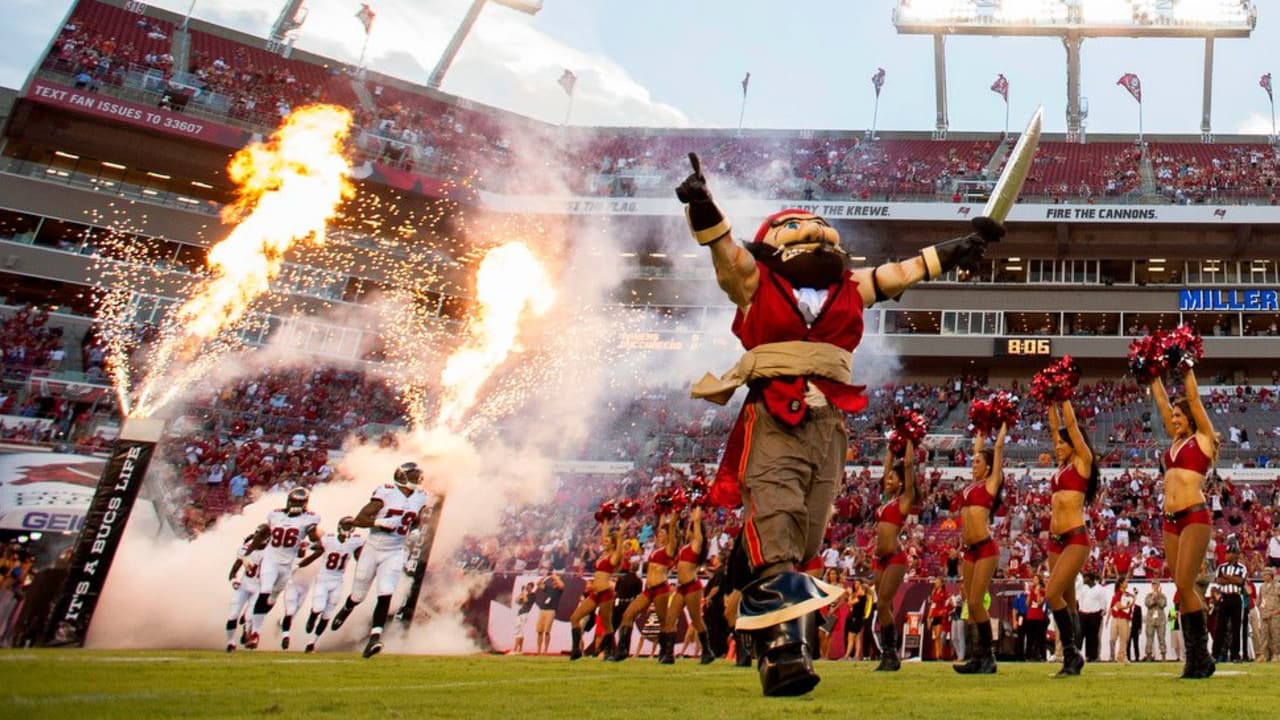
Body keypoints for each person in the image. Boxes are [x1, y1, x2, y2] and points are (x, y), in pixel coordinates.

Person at [676, 155, 1004, 696]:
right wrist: (703, 203)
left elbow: (905, 272)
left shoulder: (851, 286)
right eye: (798, 229)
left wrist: (961, 246)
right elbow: (724, 255)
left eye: (823, 231)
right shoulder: (760, 281)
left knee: (805, 536)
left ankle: (766, 619)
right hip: (776, 408)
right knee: (777, 517)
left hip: (829, 417)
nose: (816, 236)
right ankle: (784, 653)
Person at [1150, 365, 1219, 678]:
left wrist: (1188, 368)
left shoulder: (1202, 439)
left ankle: (1199, 656)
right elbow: (1163, 404)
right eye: (1173, 417)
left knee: (1183, 584)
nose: (1173, 420)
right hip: (1170, 519)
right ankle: (1197, 660)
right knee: (1183, 585)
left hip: (1194, 515)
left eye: (1179, 416)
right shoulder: (1175, 443)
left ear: (1191, 418)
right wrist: (1152, 374)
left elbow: (1193, 397)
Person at [330, 462, 431, 659]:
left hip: (395, 550)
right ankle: (348, 607)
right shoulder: (386, 493)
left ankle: (374, 638)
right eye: (413, 475)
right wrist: (378, 522)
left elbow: (415, 519)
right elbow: (358, 519)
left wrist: (416, 531)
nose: (417, 478)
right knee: (358, 595)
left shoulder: (420, 497)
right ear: (402, 476)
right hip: (373, 548)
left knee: (386, 592)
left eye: (417, 475)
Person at [1044, 398, 1098, 676]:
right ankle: (1071, 656)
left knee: (1051, 593)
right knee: (1065, 597)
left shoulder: (1082, 461)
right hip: (1055, 540)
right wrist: (1049, 401)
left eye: (1063, 443)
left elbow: (1071, 426)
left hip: (1075, 537)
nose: (1058, 446)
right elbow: (1056, 429)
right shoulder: (1062, 466)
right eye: (1056, 444)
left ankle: (1071, 653)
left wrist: (1063, 397)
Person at [954, 423, 1006, 674]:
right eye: (972, 462)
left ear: (987, 468)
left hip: (985, 547)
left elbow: (996, 449)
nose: (973, 465)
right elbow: (979, 448)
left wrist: (1002, 425)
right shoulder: (969, 486)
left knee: (976, 601)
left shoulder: (990, 483)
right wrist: (981, 430)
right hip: (968, 550)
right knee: (969, 602)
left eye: (977, 463)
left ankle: (988, 657)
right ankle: (976, 657)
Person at [245, 487, 321, 649]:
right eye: (294, 501)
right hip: (270, 559)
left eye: (300, 502)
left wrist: (316, 538)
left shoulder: (310, 518)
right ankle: (255, 633)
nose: (296, 504)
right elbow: (264, 533)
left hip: (287, 565)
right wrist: (250, 550)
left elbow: (314, 537)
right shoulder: (275, 514)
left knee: (272, 598)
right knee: (265, 590)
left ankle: (252, 623)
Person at [872, 441, 917, 671]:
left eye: (892, 478)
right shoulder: (885, 500)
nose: (888, 481)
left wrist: (909, 440)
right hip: (880, 559)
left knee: (883, 604)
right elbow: (887, 466)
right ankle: (888, 655)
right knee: (882, 606)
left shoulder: (904, 499)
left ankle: (890, 652)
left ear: (901, 483)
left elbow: (908, 466)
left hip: (896, 558)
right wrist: (891, 445)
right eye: (887, 478)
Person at [611, 512, 674, 662]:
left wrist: (672, 515)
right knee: (628, 614)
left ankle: (666, 652)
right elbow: (661, 525)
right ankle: (623, 649)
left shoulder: (669, 549)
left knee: (662, 620)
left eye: (662, 534)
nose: (659, 535)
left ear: (668, 536)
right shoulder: (655, 549)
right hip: (649, 589)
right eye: (658, 533)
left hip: (660, 588)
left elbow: (671, 531)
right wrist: (662, 513)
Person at [299, 517, 363, 653]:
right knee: (318, 608)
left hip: (338, 581)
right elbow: (317, 548)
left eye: (350, 526)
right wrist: (303, 557)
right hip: (323, 579)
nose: (348, 529)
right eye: (346, 526)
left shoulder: (356, 541)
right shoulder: (329, 539)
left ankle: (312, 643)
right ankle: (312, 617)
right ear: (339, 526)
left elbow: (360, 555)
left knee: (327, 615)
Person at [568, 513, 623, 660]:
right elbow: (604, 534)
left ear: (612, 543)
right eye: (604, 540)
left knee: (607, 623)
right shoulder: (604, 554)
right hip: (595, 593)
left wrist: (622, 529)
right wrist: (605, 521)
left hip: (605, 593)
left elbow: (618, 545)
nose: (604, 542)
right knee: (575, 617)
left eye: (607, 541)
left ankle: (612, 650)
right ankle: (576, 650)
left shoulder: (614, 556)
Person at [664, 505, 713, 664]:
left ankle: (707, 651)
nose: (686, 532)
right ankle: (669, 654)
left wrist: (698, 505)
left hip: (692, 586)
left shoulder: (696, 544)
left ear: (692, 531)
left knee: (696, 619)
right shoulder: (685, 547)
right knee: (671, 618)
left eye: (688, 529)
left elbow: (697, 520)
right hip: (681, 587)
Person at [224, 529, 265, 652]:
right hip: (244, 586)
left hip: (260, 588)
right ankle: (231, 642)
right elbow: (233, 571)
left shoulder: (272, 552)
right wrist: (234, 581)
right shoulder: (245, 549)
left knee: (250, 616)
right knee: (233, 615)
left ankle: (249, 636)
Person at [1214, 544, 1248, 663]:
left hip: (1236, 598)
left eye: (1229, 553)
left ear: (1235, 555)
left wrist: (1227, 577)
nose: (1226, 555)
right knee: (1220, 627)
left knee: (1236, 627)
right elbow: (1218, 580)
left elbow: (1240, 581)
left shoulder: (1242, 568)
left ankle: (1235, 655)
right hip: (1224, 598)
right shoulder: (1221, 567)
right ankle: (1215, 654)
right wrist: (1232, 579)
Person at [1077, 572, 1109, 663]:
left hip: (1094, 614)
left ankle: (1091, 656)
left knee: (1092, 636)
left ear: (1090, 579)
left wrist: (1102, 612)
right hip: (1083, 614)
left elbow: (1103, 602)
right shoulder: (1083, 588)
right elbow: (1079, 599)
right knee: (1080, 635)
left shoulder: (1099, 589)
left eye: (1085, 578)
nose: (1083, 580)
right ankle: (1076, 654)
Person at [533, 571, 565, 655]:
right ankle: (539, 650)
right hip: (543, 609)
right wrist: (544, 577)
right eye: (553, 581)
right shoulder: (549, 588)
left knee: (547, 631)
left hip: (551, 610)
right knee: (539, 631)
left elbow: (562, 585)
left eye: (555, 581)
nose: (554, 582)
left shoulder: (559, 590)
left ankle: (545, 650)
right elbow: (538, 584)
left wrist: (554, 576)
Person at [1257, 567, 1280, 662]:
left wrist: (1277, 611)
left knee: (1275, 635)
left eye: (1266, 574)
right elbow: (1260, 599)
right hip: (1264, 613)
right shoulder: (1262, 587)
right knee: (1264, 635)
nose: (1264, 576)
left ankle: (1276, 654)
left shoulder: (1278, 586)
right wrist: (1259, 608)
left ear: (1271, 575)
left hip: (1275, 613)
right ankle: (1263, 654)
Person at [1109, 579, 1134, 664]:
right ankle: (1114, 655)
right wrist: (1128, 606)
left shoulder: (1127, 594)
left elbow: (1131, 601)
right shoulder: (1117, 594)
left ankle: (1122, 655)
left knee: (1124, 638)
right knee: (1113, 638)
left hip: (1124, 618)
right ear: (1121, 584)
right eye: (1125, 582)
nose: (1127, 583)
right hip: (1116, 618)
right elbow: (1118, 606)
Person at [1144, 582, 1170, 661]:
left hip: (1161, 620)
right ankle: (1148, 655)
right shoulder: (1148, 596)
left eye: (1156, 585)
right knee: (1149, 638)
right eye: (1153, 585)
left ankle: (1163, 655)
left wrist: (1158, 597)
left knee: (1162, 638)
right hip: (1150, 620)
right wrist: (1153, 597)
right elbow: (1148, 604)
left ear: (1159, 586)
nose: (1155, 586)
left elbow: (1162, 604)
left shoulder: (1163, 596)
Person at [511, 582, 536, 656]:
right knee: (521, 632)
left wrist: (524, 594)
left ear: (532, 587)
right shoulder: (526, 594)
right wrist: (522, 593)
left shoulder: (532, 595)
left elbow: (526, 601)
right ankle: (520, 650)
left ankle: (515, 649)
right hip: (521, 613)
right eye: (526, 587)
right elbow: (517, 601)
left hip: (524, 614)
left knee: (518, 631)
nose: (527, 588)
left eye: (528, 587)